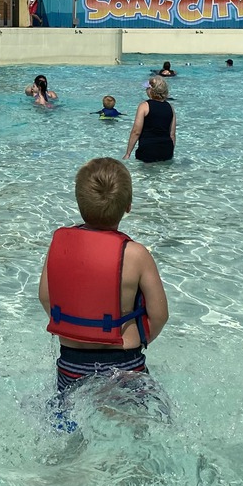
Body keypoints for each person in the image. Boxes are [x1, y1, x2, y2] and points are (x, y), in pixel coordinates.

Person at [38, 157, 169, 395]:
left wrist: (75, 329)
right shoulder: (136, 255)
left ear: (79, 203)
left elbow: (46, 298)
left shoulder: (59, 246)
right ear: (128, 205)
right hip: (125, 363)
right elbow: (159, 315)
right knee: (135, 422)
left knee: (69, 420)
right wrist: (138, 339)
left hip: (72, 363)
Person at [124, 76, 175, 163]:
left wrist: (128, 153)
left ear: (150, 91)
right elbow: (172, 134)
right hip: (166, 150)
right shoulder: (170, 107)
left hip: (148, 150)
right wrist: (171, 152)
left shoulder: (144, 106)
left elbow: (136, 132)